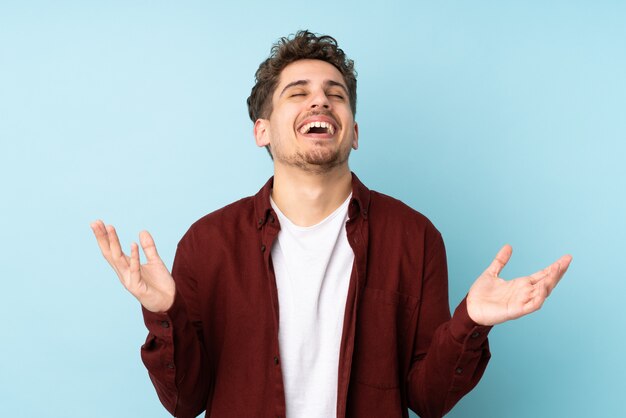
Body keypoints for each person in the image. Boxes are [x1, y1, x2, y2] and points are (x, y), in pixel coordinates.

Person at [90, 30, 572, 418]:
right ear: (262, 130)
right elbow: (185, 402)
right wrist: (163, 311)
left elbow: (428, 401)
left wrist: (473, 321)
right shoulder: (208, 242)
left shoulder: (415, 238)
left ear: (354, 131)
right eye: (297, 94)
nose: (319, 103)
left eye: (334, 95)